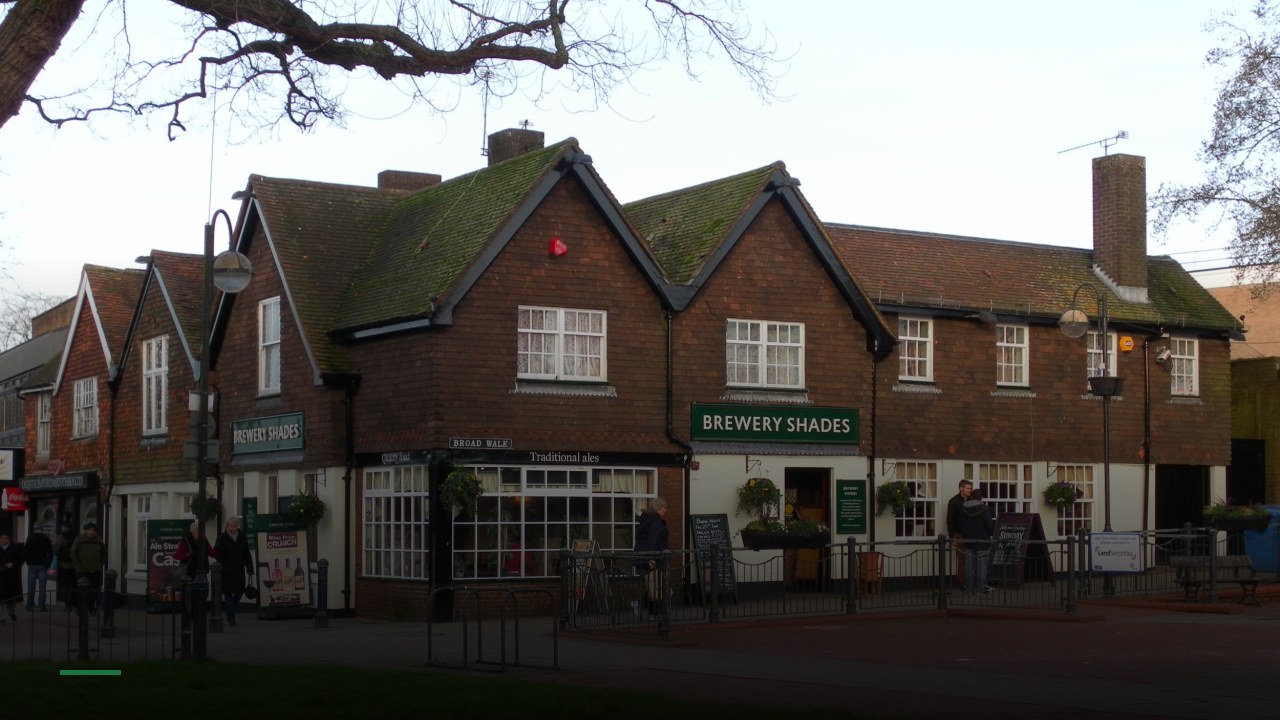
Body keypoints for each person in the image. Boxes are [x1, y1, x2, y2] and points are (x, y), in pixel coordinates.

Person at [213, 517, 253, 626]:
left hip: (239, 569)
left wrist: (250, 568)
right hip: (228, 570)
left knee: (240, 592)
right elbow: (217, 553)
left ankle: (231, 611)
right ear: (227, 526)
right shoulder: (222, 538)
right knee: (229, 593)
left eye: (236, 526)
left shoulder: (242, 536)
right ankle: (231, 618)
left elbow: (246, 553)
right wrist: (225, 564)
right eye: (232, 526)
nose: (234, 528)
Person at [633, 498, 669, 619]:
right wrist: (652, 558)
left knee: (652, 584)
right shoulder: (655, 522)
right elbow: (653, 540)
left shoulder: (647, 520)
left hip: (644, 556)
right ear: (657, 508)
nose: (665, 510)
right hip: (652, 557)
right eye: (664, 508)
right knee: (656, 584)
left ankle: (650, 611)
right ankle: (651, 611)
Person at [957, 488, 995, 594]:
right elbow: (990, 526)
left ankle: (969, 588)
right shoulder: (985, 509)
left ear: (972, 496)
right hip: (982, 541)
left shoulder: (963, 508)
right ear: (981, 497)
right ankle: (981, 588)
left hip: (968, 540)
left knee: (969, 565)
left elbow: (960, 525)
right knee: (981, 565)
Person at [70, 522, 106, 613]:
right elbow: (73, 552)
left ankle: (91, 608)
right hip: (82, 570)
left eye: (93, 530)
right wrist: (78, 564)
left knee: (93, 591)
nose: (91, 532)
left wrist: (100, 564)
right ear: (85, 531)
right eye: (89, 530)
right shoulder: (79, 539)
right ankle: (80, 608)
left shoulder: (99, 539)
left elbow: (104, 553)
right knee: (82, 591)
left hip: (95, 570)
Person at [945, 479, 974, 587]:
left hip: (972, 534)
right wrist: (952, 536)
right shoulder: (954, 501)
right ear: (961, 488)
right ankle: (962, 583)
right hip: (960, 534)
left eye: (970, 488)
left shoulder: (972, 500)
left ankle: (971, 581)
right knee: (961, 559)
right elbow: (950, 520)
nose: (970, 490)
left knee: (972, 558)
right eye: (967, 488)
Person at [24, 526, 53, 612]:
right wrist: (47, 563)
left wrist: (27, 561)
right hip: (42, 564)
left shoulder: (30, 538)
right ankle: (41, 606)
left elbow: (26, 551)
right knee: (42, 586)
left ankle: (30, 605)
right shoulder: (46, 539)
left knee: (31, 586)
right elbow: (50, 553)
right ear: (42, 531)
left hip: (32, 564)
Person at [0, 531, 23, 623]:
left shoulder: (15, 548)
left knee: (12, 597)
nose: (3, 540)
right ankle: (2, 617)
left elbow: (21, 560)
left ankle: (11, 612)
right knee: (2, 597)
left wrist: (12, 564)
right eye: (2, 538)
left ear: (9, 539)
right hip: (1, 577)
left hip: (12, 576)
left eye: (5, 538)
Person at [55, 528, 77, 610]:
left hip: (64, 565)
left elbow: (56, 550)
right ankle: (74, 603)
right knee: (73, 585)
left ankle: (68, 605)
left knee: (65, 586)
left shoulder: (61, 538)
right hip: (74, 566)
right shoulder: (76, 537)